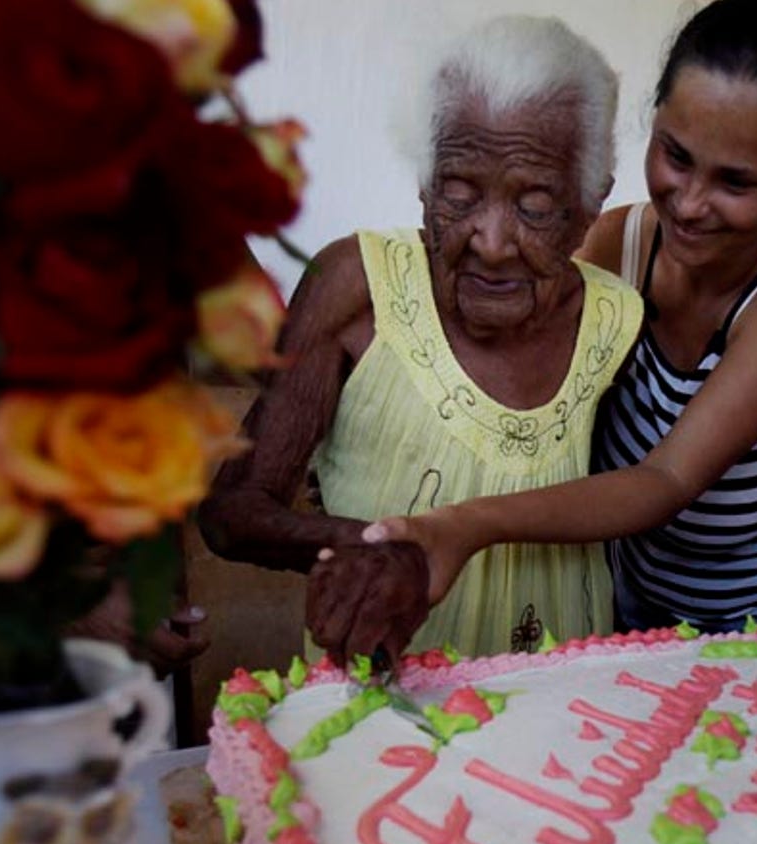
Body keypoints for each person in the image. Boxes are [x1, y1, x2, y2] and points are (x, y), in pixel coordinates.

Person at [364, 0, 757, 635]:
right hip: (632, 594)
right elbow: (514, 374)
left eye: (735, 182)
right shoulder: (618, 243)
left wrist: (465, 523)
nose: (691, 203)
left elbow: (666, 479)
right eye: (675, 155)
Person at [199, 16, 644, 662]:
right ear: (423, 185)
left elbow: (641, 495)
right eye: (459, 196)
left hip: (562, 703)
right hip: (383, 708)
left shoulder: (616, 321)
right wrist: (382, 549)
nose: (490, 244)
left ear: (590, 205)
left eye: (536, 207)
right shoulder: (356, 288)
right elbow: (233, 508)